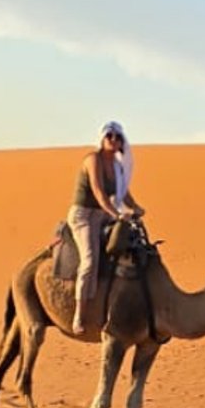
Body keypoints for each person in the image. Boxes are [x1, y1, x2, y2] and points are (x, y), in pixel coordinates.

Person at [67, 121, 144, 332]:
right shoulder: (93, 160)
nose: (113, 139)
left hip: (104, 215)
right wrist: (117, 214)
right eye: (109, 135)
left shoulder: (118, 167)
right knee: (90, 260)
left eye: (117, 137)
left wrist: (136, 208)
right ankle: (79, 316)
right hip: (84, 215)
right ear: (102, 139)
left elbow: (124, 194)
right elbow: (100, 193)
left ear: (122, 143)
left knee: (132, 248)